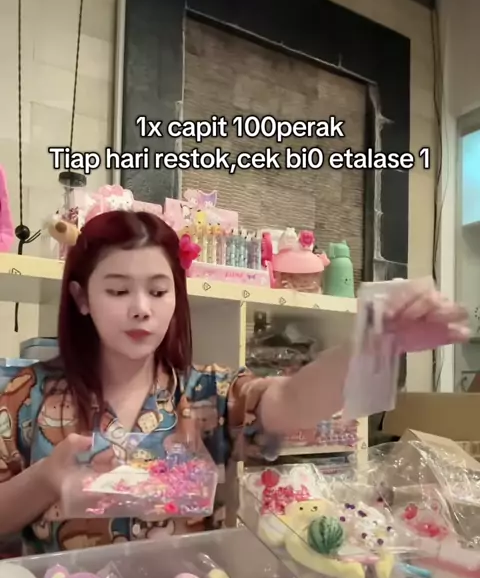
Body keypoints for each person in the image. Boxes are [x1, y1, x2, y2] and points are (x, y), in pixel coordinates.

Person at [0, 211, 469, 553]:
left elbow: (290, 399)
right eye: (119, 290)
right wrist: (47, 476)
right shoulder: (25, 396)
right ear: (82, 298)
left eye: (159, 291)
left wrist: (372, 343)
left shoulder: (209, 394)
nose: (141, 308)